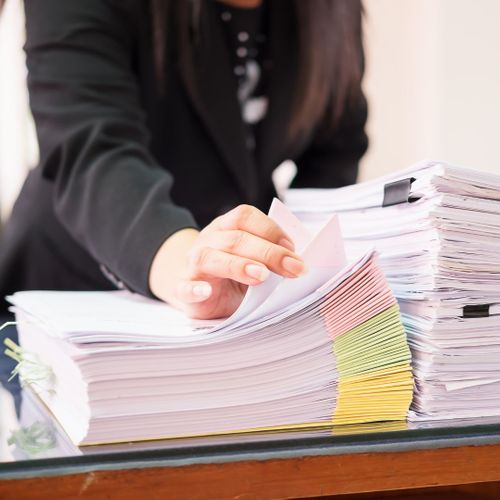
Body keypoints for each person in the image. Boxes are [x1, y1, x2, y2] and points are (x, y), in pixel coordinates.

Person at [0, 0, 368, 319]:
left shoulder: (329, 11)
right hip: (77, 283)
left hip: (238, 305)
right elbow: (92, 147)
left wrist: (301, 266)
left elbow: (335, 148)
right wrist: (192, 272)